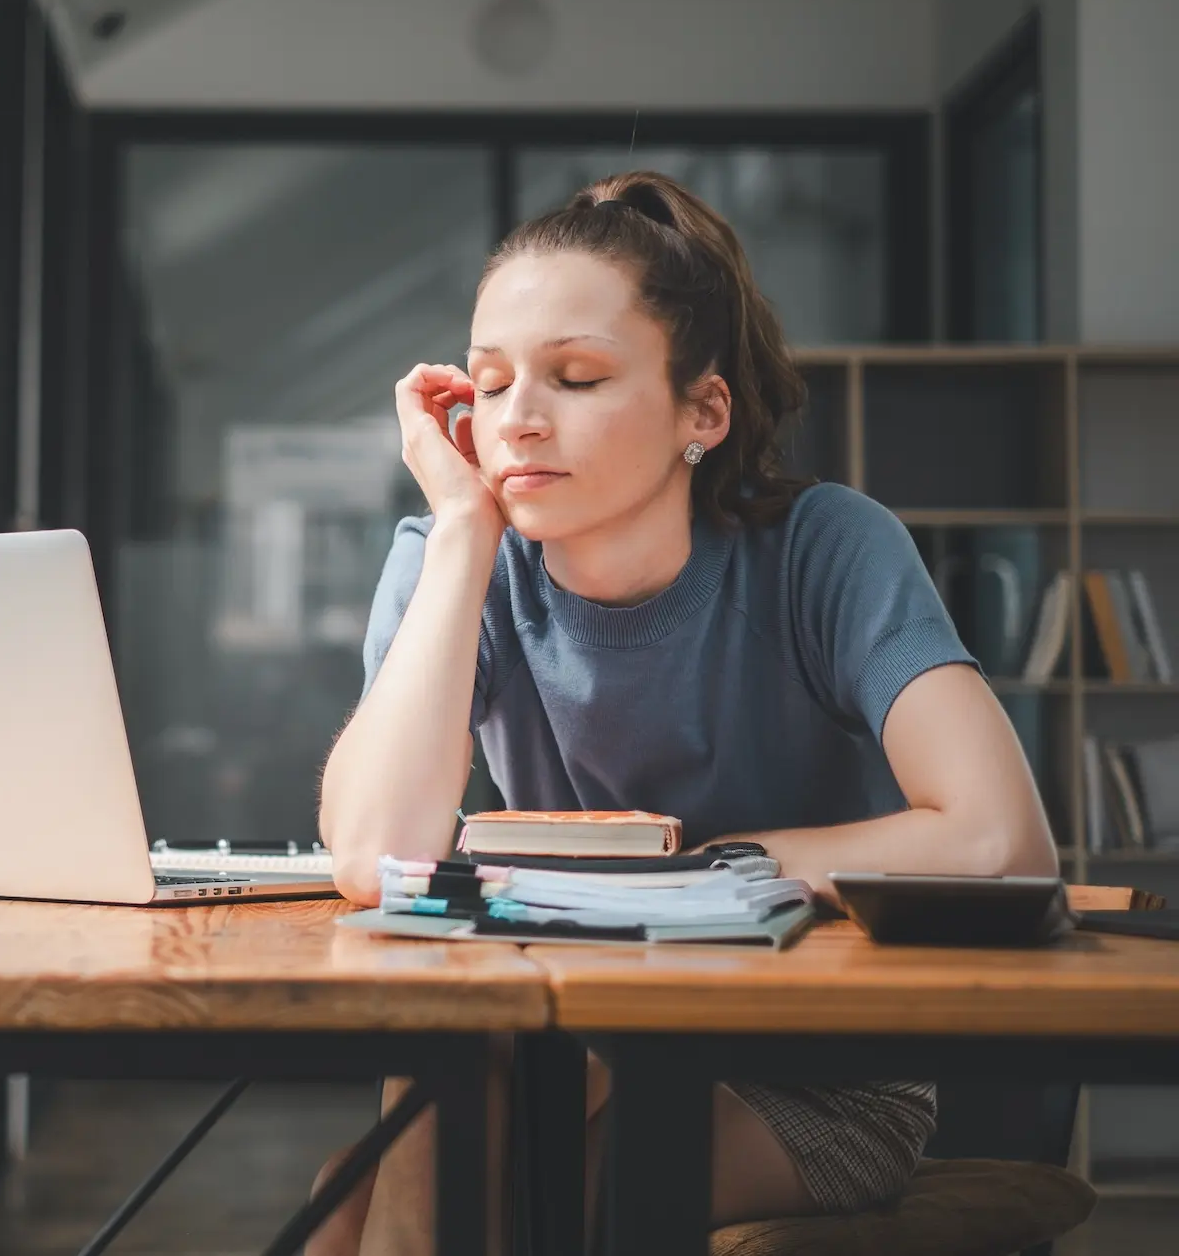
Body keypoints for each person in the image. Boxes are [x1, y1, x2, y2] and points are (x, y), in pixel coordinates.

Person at [310, 170, 1059, 1253]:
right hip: (562, 1036)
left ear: (700, 411)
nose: (515, 420)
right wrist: (467, 534)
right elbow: (375, 854)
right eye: (487, 382)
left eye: (572, 378)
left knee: (421, 1197)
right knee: (386, 1164)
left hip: (809, 1077)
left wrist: (721, 866)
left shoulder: (824, 549)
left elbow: (999, 838)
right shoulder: (448, 564)